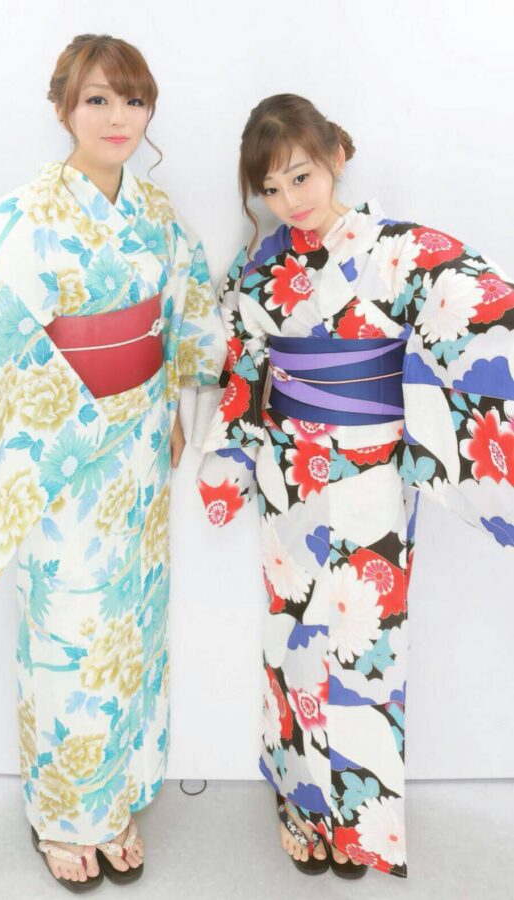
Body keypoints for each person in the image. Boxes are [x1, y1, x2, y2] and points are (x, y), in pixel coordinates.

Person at [0, 34, 225, 891]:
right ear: (63, 107)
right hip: (62, 454)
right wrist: (49, 412)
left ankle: (118, 794)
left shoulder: (154, 209)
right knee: (70, 630)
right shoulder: (27, 214)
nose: (118, 116)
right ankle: (65, 814)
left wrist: (175, 405)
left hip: (138, 448)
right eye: (97, 98)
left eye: (133, 99)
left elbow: (185, 307)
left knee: (132, 624)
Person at [197, 93, 513, 880]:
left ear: (336, 156)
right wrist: (231, 459)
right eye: (270, 188)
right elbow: (242, 370)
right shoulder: (257, 268)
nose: (288, 200)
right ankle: (302, 803)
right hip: (289, 474)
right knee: (294, 640)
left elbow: (483, 315)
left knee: (366, 642)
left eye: (300, 176)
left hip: (373, 471)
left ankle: (360, 820)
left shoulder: (401, 250)